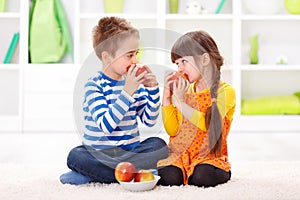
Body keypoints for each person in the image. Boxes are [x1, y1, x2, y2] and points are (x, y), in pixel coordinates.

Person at [60, 16, 168, 185]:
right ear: (107, 57)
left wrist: (152, 89)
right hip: (100, 154)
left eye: (136, 54)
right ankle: (131, 173)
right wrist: (127, 92)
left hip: (130, 152)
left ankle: (96, 175)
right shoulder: (94, 85)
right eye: (130, 55)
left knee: (159, 145)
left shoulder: (133, 82)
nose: (136, 60)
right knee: (76, 155)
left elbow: (149, 120)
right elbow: (106, 126)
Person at [157, 30, 236, 188]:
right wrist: (167, 100)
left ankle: (198, 172)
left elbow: (208, 125)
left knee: (202, 176)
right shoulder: (185, 91)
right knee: (168, 177)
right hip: (181, 155)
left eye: (184, 62)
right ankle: (184, 172)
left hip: (209, 156)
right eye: (177, 64)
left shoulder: (225, 91)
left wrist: (180, 104)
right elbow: (173, 131)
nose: (179, 69)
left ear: (205, 59)